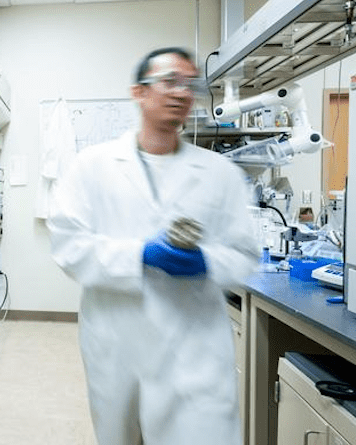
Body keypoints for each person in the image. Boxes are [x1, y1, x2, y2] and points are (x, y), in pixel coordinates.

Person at [46, 47, 259, 445]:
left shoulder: (220, 174)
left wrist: (205, 261)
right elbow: (68, 245)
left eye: (190, 84)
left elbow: (245, 253)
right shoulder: (92, 166)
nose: (182, 92)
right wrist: (139, 256)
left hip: (193, 347)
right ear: (139, 92)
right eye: (170, 81)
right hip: (117, 342)